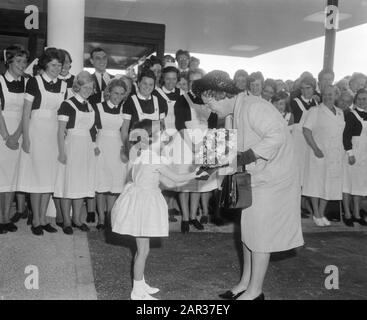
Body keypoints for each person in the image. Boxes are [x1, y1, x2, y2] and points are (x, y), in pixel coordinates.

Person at [198, 70, 303, 300]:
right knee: (249, 230)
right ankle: (245, 283)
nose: (209, 108)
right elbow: (229, 146)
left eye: (210, 103)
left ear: (221, 94)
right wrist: (209, 164)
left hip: (275, 179)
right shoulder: (234, 112)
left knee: (261, 233)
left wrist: (243, 158)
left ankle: (256, 292)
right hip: (256, 178)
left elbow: (277, 137)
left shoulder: (254, 106)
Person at [111, 119, 208, 300]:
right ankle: (137, 292)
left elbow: (164, 180)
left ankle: (141, 283)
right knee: (143, 251)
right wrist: (195, 173)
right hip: (144, 204)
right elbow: (177, 179)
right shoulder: (153, 157)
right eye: (161, 132)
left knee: (142, 249)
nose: (165, 134)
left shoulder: (142, 153)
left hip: (139, 200)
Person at [15, 47, 67, 236]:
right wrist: (26, 138)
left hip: (53, 135)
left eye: (59, 65)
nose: (56, 68)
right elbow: (26, 113)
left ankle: (44, 218)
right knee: (36, 178)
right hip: (36, 133)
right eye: (53, 65)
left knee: (49, 179)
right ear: (45, 65)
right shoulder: (34, 82)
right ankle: (36, 219)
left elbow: (63, 114)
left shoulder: (63, 86)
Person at [54, 71, 98, 235]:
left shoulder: (90, 106)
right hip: (71, 146)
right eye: (85, 86)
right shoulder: (67, 104)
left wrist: (93, 147)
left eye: (90, 87)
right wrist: (62, 152)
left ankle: (77, 219)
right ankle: (66, 220)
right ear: (77, 86)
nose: (87, 90)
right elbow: (60, 131)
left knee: (81, 184)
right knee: (68, 184)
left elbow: (92, 130)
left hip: (85, 147)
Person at [302, 85, 345, 227]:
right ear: (322, 95)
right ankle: (316, 213)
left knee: (330, 184)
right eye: (325, 94)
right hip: (318, 153)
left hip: (335, 155)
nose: (328, 97)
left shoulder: (340, 112)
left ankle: (321, 212)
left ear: (336, 96)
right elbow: (306, 130)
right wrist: (315, 148)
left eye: (331, 94)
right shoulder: (315, 111)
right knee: (316, 183)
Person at [94, 77, 131, 230]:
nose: (118, 97)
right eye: (115, 93)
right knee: (101, 183)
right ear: (109, 92)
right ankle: (101, 218)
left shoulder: (125, 111)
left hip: (117, 146)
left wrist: (126, 150)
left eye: (121, 94)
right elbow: (93, 128)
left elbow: (124, 133)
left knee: (114, 184)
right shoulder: (98, 107)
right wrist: (94, 145)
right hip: (101, 145)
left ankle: (110, 216)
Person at [0, 45, 29, 234]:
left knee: (11, 178)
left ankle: (6, 218)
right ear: (8, 61)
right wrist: (6, 136)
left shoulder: (27, 83)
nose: (22, 64)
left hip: (17, 134)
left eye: (24, 61)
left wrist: (17, 135)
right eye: (18, 61)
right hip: (2, 134)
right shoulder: (0, 81)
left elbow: (26, 113)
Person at [87, 47, 114, 223]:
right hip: (93, 122)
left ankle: (107, 213)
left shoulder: (113, 79)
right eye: (97, 58)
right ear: (92, 61)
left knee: (108, 172)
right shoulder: (87, 79)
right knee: (94, 171)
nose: (102, 61)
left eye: (104, 57)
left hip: (109, 125)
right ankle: (91, 210)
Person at [121, 69, 167, 161]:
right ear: (138, 83)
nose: (147, 87)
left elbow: (162, 128)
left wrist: (162, 148)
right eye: (144, 83)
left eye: (151, 84)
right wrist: (128, 149)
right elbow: (124, 130)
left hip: (155, 151)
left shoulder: (160, 101)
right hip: (136, 150)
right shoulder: (130, 102)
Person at [342, 88, 367, 227]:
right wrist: (350, 154)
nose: (362, 101)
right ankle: (347, 213)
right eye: (360, 99)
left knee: (359, 185)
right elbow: (346, 136)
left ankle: (357, 213)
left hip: (365, 155)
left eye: (365, 99)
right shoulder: (351, 115)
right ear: (355, 100)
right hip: (352, 154)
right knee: (347, 184)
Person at [290, 76, 318, 192]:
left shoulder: (316, 103)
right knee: (297, 172)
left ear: (313, 88)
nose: (305, 91)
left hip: (310, 142)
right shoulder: (294, 103)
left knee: (308, 172)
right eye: (302, 89)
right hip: (297, 143)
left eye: (308, 88)